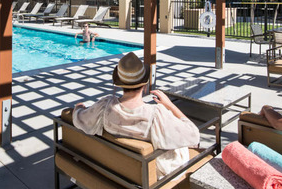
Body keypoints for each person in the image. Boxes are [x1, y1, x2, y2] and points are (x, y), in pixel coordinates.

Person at [72, 52, 200, 178]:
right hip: (147, 174)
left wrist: (78, 107)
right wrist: (170, 105)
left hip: (118, 169)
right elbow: (194, 136)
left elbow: (79, 118)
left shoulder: (105, 107)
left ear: (119, 84)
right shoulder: (155, 115)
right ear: (144, 86)